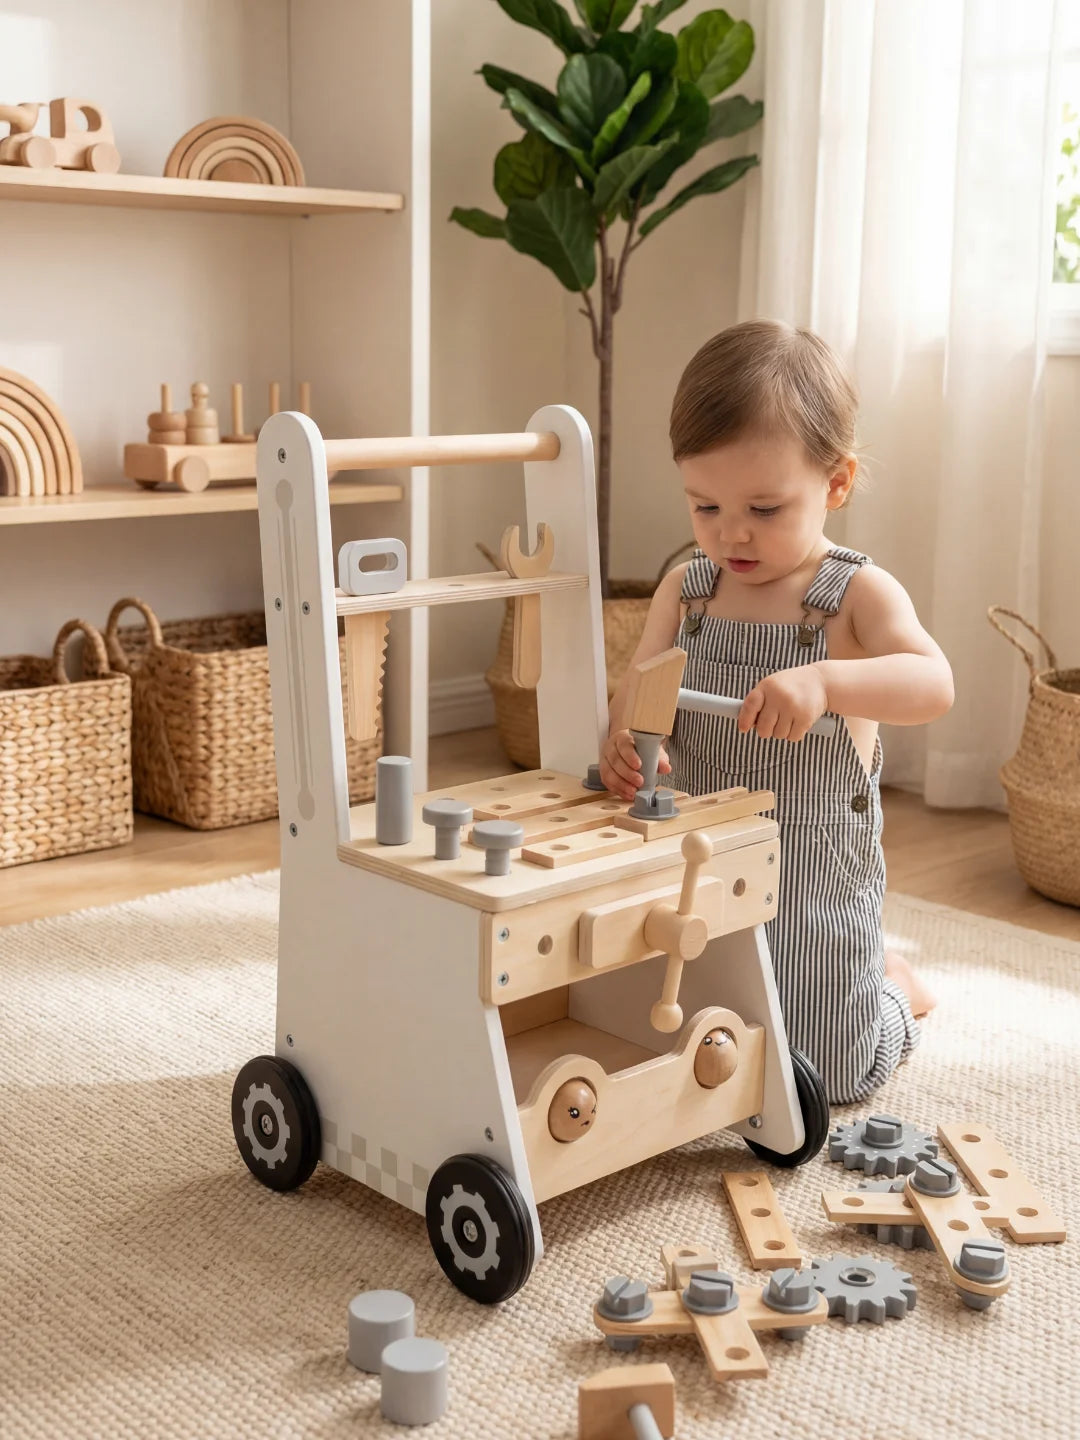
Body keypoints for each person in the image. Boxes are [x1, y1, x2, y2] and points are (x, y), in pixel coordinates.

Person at [600, 320, 954, 1104]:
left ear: (836, 484)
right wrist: (624, 743)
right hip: (699, 853)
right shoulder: (687, 590)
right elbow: (638, 693)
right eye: (705, 507)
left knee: (823, 1075)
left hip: (810, 867)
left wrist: (827, 681)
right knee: (682, 1034)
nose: (732, 533)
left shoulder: (853, 595)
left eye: (764, 507)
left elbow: (934, 683)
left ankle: (896, 992)